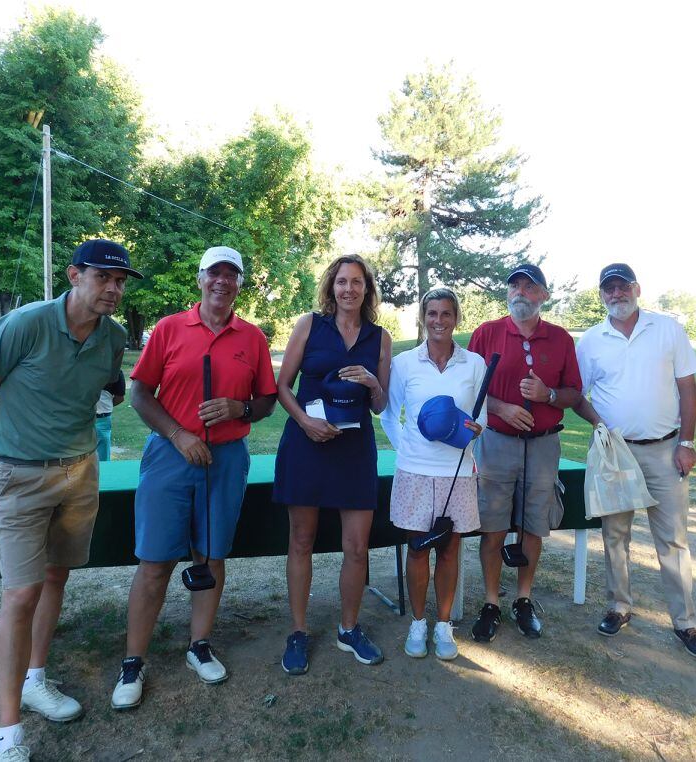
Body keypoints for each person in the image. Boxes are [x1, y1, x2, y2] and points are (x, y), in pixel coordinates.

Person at [0, 239, 140, 762]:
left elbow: (105, 389)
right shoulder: (26, 323)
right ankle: (9, 731)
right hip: (19, 475)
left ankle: (36, 678)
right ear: (74, 275)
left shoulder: (114, 336)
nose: (113, 288)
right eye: (104, 277)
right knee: (20, 595)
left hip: (80, 473)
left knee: (57, 576)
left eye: (121, 280)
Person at [110, 246, 277, 709]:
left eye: (232, 275)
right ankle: (133, 661)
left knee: (211, 554)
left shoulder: (253, 338)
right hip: (170, 455)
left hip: (225, 459)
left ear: (240, 284)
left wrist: (238, 408)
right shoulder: (169, 328)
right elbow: (140, 393)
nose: (222, 282)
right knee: (156, 560)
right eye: (214, 274)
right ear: (201, 279)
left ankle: (199, 645)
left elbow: (265, 400)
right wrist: (179, 434)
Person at [575, 263, 696, 658]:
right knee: (615, 535)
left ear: (636, 289)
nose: (616, 294)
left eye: (622, 287)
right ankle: (619, 606)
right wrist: (601, 426)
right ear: (602, 295)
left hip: (665, 449)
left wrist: (687, 442)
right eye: (608, 289)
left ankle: (685, 622)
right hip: (615, 451)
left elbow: (688, 388)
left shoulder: (667, 329)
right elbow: (578, 394)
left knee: (672, 539)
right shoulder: (590, 340)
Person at [273, 254, 392, 674]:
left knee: (357, 547)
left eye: (357, 282)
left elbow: (379, 406)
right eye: (342, 282)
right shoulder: (309, 325)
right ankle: (300, 631)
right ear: (331, 287)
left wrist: (375, 383)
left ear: (367, 289)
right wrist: (305, 421)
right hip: (307, 445)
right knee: (301, 541)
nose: (349, 289)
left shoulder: (380, 338)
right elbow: (282, 386)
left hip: (355, 451)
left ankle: (349, 628)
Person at [467, 264, 591, 642]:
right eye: (515, 285)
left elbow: (573, 393)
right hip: (496, 445)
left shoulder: (561, 339)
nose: (521, 291)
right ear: (508, 293)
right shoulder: (487, 333)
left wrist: (548, 395)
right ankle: (491, 602)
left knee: (535, 524)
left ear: (544, 295)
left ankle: (523, 599)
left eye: (530, 286)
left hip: (543, 446)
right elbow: (468, 388)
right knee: (493, 525)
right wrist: (501, 408)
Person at [380, 288, 486, 662]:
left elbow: (482, 414)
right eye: (431, 314)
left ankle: (443, 626)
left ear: (456, 317)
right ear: (423, 318)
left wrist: (476, 430)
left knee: (450, 549)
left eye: (445, 313)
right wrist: (405, 448)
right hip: (415, 471)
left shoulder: (474, 364)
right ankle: (418, 622)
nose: (438, 321)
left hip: (456, 471)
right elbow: (390, 414)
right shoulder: (405, 363)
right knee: (418, 548)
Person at [94, 373, 125, 461]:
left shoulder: (115, 371)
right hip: (86, 418)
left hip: (102, 419)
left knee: (102, 458)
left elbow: (120, 397)